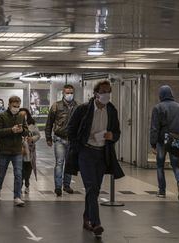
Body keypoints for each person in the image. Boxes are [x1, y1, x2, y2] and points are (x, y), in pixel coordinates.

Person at [66, 80, 124, 238]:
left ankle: (86, 218)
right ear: (96, 93)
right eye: (103, 91)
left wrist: (113, 136)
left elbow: (117, 131)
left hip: (102, 153)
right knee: (91, 188)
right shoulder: (83, 109)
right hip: (86, 153)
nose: (106, 94)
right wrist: (77, 147)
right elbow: (70, 130)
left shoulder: (111, 110)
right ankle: (96, 223)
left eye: (108, 91)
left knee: (95, 190)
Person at [0, 96, 28, 207]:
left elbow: (26, 131)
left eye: (18, 106)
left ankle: (17, 197)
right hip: (4, 150)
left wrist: (22, 130)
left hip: (17, 150)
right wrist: (11, 130)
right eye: (14, 106)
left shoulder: (21, 116)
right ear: (9, 105)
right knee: (1, 173)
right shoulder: (1, 116)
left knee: (18, 174)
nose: (16, 108)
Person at [45, 84, 78, 196]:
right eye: (67, 92)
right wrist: (48, 137)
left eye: (71, 92)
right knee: (59, 163)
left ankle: (67, 185)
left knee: (69, 163)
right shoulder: (56, 106)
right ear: (63, 93)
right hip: (59, 138)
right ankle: (58, 187)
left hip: (72, 140)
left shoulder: (77, 106)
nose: (70, 94)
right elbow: (49, 122)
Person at [150, 85, 179, 200]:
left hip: (162, 140)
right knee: (176, 165)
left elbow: (154, 127)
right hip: (175, 139)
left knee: (160, 165)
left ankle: (162, 191)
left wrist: (153, 144)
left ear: (161, 95)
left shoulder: (158, 108)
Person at [19, 108, 41, 194]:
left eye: (25, 114)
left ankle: (27, 183)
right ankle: (19, 185)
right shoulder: (16, 124)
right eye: (21, 114)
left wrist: (32, 139)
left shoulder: (32, 124)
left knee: (28, 168)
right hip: (20, 150)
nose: (23, 116)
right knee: (19, 169)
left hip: (30, 150)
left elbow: (38, 135)